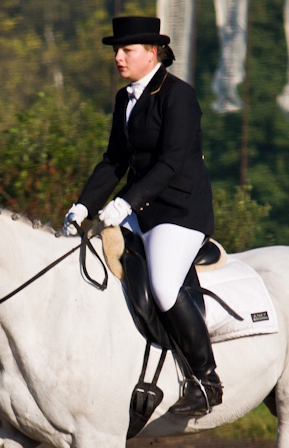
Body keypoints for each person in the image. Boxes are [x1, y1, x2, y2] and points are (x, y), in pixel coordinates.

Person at [63, 15, 222, 417]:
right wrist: (82, 205)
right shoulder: (125, 99)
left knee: (165, 286)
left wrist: (125, 203)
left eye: (126, 50)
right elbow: (114, 160)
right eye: (117, 50)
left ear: (152, 53)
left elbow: (170, 164)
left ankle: (207, 380)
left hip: (180, 211)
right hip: (141, 209)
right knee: (89, 262)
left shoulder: (178, 96)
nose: (118, 57)